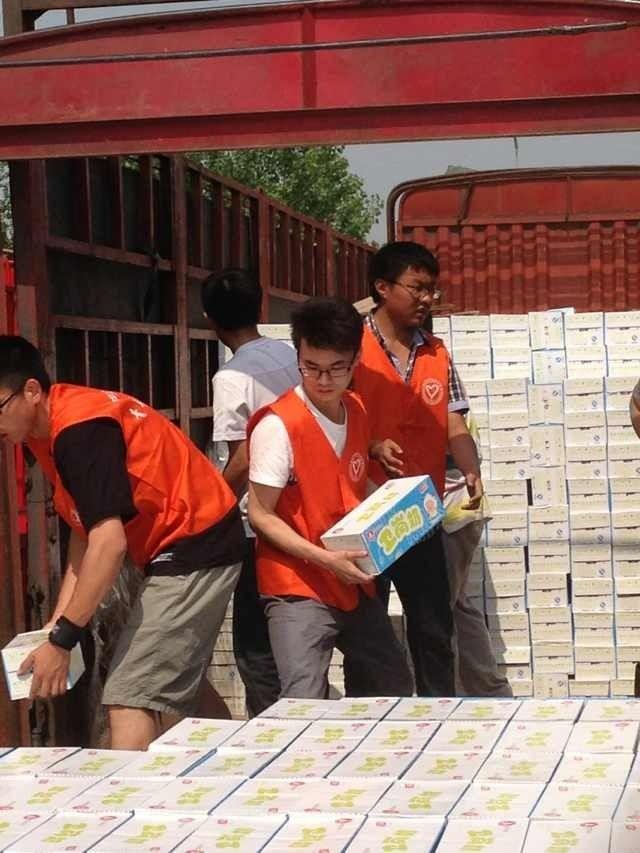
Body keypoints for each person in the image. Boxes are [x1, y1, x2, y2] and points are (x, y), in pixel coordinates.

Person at [0, 335, 245, 749]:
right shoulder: (50, 428)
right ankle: (239, 757)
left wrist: (64, 638)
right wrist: (55, 624)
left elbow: (109, 543)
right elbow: (85, 531)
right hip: (182, 543)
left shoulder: (79, 432)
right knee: (168, 683)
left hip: (196, 544)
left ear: (31, 391)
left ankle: (125, 793)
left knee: (130, 695)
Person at [246, 297, 413, 700]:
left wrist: (392, 504)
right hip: (298, 583)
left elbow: (348, 477)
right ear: (298, 357)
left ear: (356, 360)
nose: (323, 380)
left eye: (337, 368)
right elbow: (260, 514)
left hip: (351, 579)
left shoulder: (355, 408)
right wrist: (324, 559)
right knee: (303, 698)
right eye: (311, 367)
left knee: (390, 684)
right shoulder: (278, 426)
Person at [352, 241, 483, 697]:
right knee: (367, 634)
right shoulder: (351, 346)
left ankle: (438, 717)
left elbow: (453, 420)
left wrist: (470, 469)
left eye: (432, 290)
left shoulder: (436, 352)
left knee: (432, 628)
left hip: (419, 512)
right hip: (364, 510)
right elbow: (328, 417)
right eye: (417, 288)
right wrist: (370, 445)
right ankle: (368, 718)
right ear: (382, 287)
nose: (427, 299)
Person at [202, 268, 299, 716]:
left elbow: (241, 458)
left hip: (258, 522)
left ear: (209, 320)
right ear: (260, 307)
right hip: (302, 507)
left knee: (255, 647)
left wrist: (212, 507)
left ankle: (273, 729)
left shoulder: (231, 377)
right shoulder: (290, 355)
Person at [442, 413, 512, 697]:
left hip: (451, 509)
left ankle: (453, 694)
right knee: (455, 604)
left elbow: (453, 431)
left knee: (441, 607)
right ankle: (487, 691)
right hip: (453, 507)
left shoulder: (439, 393)